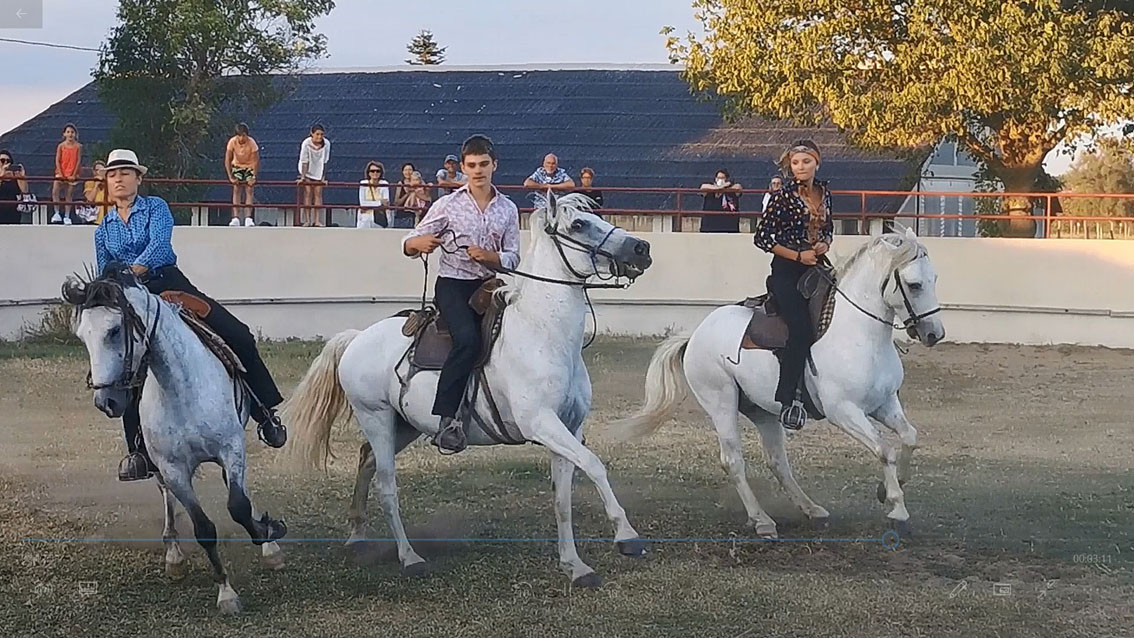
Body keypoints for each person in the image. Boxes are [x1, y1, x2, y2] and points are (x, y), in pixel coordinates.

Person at [93, 149, 289, 481]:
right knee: (129, 369)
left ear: (138, 178)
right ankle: (138, 451)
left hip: (168, 284)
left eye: (126, 173)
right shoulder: (103, 230)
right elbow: (103, 271)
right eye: (113, 174)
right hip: (130, 300)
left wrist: (130, 274)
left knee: (237, 333)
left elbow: (159, 247)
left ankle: (264, 412)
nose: (119, 179)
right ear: (107, 182)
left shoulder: (156, 207)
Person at [401, 134, 520, 454]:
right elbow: (411, 241)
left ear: (495, 165)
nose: (478, 170)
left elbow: (514, 257)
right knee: (468, 340)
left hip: (490, 287)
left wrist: (491, 258)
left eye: (484, 164)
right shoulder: (447, 205)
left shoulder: (508, 209)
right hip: (453, 285)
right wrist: (418, 245)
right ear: (463, 168)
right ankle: (447, 419)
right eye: (472, 165)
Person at [753, 140, 833, 431]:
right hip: (787, 272)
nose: (800, 167)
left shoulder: (825, 193)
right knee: (800, 329)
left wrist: (825, 243)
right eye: (796, 163)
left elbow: (828, 229)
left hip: (817, 267)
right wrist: (798, 255)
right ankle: (789, 399)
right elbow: (762, 238)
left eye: (806, 162)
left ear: (817, 163)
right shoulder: (781, 196)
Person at [225, 123, 260, 227]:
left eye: (243, 135)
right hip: (237, 166)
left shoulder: (252, 143)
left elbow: (256, 161)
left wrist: (253, 176)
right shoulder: (232, 142)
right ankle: (235, 218)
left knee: (249, 189)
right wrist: (230, 176)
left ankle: (248, 218)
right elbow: (227, 159)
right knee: (236, 189)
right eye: (239, 135)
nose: (241, 138)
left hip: (249, 166)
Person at [297, 124, 330, 227]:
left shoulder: (327, 144)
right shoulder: (306, 143)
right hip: (307, 169)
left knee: (318, 193)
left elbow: (325, 161)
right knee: (307, 193)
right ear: (312, 134)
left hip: (318, 170)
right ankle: (307, 220)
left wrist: (323, 177)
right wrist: (303, 176)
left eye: (321, 134)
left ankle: (317, 220)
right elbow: (304, 160)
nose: (319, 137)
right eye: (317, 134)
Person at [52, 124, 82, 225]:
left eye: (72, 132)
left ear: (75, 134)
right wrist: (60, 173)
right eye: (68, 132)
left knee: (68, 194)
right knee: (55, 190)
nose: (70, 134)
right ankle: (56, 212)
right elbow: (57, 160)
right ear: (64, 134)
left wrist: (73, 174)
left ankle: (67, 215)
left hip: (72, 172)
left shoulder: (78, 146)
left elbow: (78, 161)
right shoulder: (61, 146)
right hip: (61, 171)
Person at [357, 161, 391, 228]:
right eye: (372, 171)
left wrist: (369, 205)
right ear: (368, 173)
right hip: (365, 219)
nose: (375, 173)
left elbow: (386, 203)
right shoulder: (363, 183)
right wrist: (379, 202)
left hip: (379, 219)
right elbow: (362, 203)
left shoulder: (384, 183)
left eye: (377, 171)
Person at [0, 150, 29, 225]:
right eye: (2, 160)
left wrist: (22, 178)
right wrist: (1, 176)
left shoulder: (15, 179)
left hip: (14, 219)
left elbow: (25, 193)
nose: (6, 163)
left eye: (8, 161)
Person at [83, 160, 110, 224]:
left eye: (101, 170)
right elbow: (90, 199)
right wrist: (96, 185)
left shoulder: (110, 183)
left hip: (109, 217)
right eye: (97, 170)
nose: (99, 172)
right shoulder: (89, 183)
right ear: (94, 172)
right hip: (95, 219)